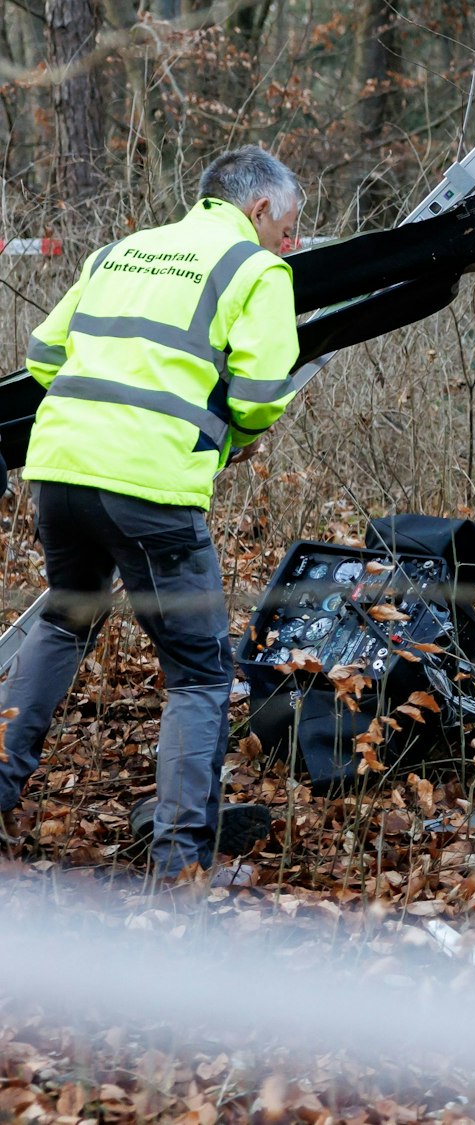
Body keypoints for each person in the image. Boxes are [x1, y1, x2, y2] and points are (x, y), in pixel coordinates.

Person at [0, 146, 304, 880]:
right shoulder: (256, 270)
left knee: (65, 618)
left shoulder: (121, 251)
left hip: (60, 474)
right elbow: (263, 392)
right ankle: (181, 866)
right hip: (150, 490)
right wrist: (228, 433)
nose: (290, 243)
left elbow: (44, 354)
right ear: (258, 209)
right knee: (199, 674)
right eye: (289, 226)